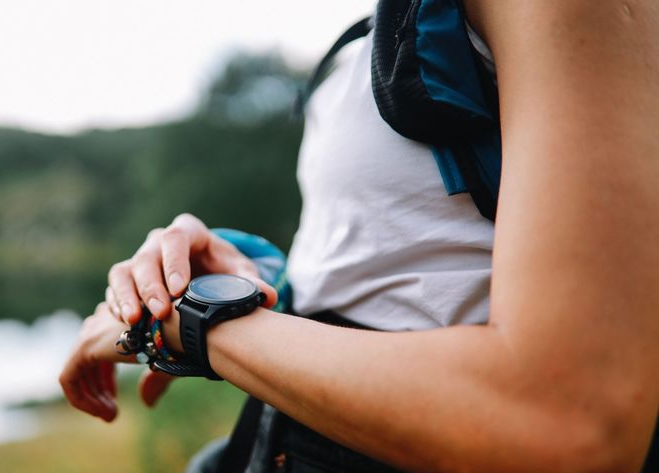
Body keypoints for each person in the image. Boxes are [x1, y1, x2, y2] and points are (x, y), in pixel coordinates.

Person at [59, 1, 659, 471]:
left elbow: (569, 421)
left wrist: (198, 322)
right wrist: (251, 278)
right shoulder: (364, 40)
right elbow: (413, 277)